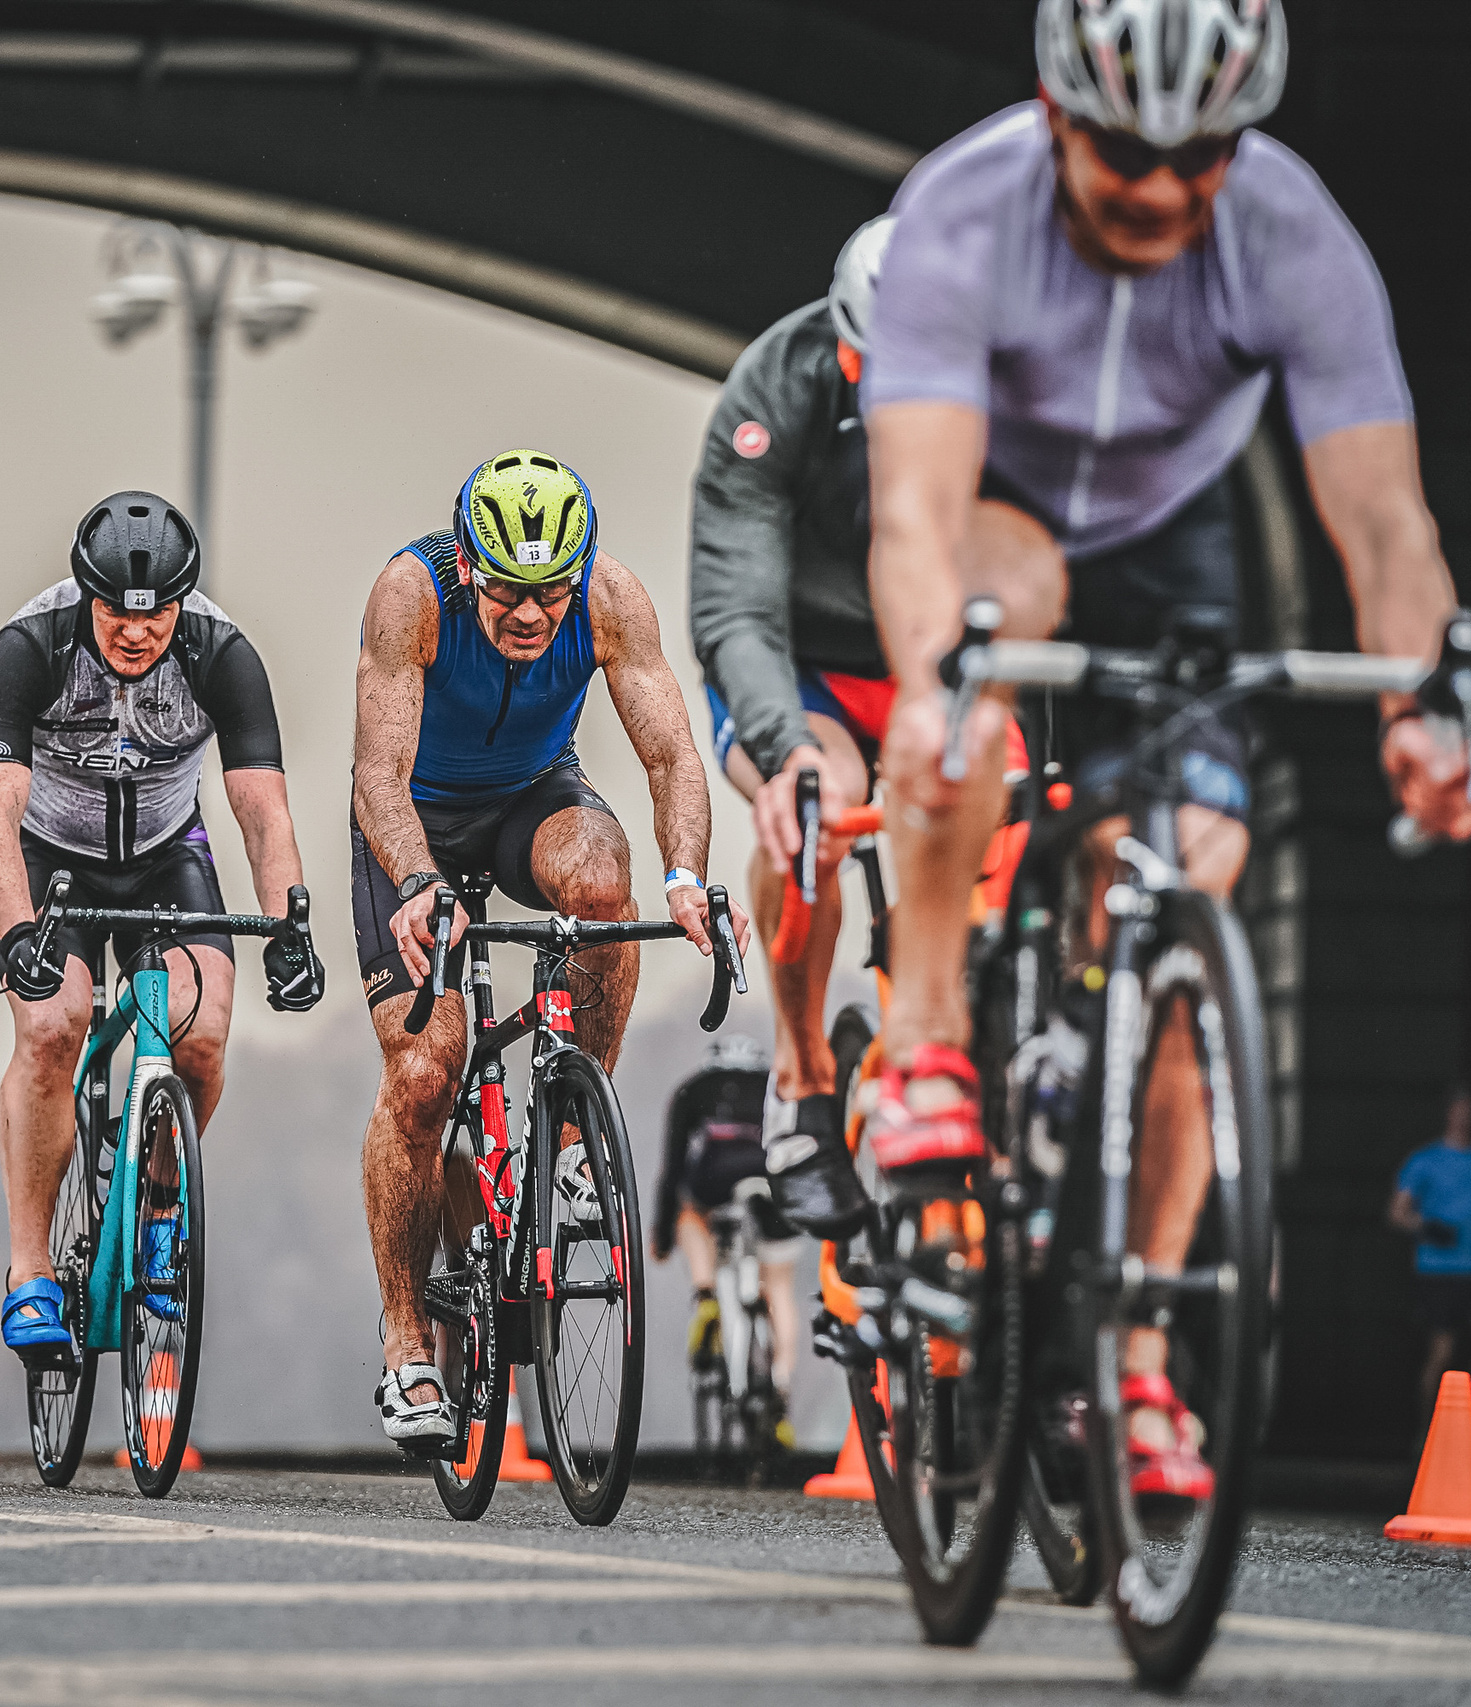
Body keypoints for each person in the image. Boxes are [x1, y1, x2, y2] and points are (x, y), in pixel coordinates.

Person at [854, 0, 1471, 1502]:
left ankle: (1138, 1352)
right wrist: (936, 694)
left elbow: (1384, 519)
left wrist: (1424, 708)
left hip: (1171, 533)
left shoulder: (1291, 231)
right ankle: (931, 1038)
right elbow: (914, 514)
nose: (1157, 187)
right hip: (1003, 507)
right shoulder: (963, 208)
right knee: (974, 659)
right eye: (1121, 155)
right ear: (1055, 115)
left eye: (1196, 157)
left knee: (1191, 871)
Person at [352, 448, 744, 1453]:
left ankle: (569, 1142)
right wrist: (417, 884)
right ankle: (406, 1345)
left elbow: (671, 755)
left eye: (550, 593)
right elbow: (378, 775)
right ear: (468, 567)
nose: (530, 615)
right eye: (508, 593)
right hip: (414, 826)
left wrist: (687, 877)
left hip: (531, 801)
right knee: (426, 1075)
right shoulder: (411, 595)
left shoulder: (611, 597)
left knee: (606, 885)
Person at [0, 492, 320, 1364]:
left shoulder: (221, 653)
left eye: (155, 613)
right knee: (52, 1028)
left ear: (181, 602)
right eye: (116, 615)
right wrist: (15, 934)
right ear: (87, 596)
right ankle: (31, 1270)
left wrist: (289, 928)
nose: (135, 632)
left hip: (168, 852)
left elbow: (264, 813)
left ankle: (160, 1205)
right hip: (51, 859)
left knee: (201, 1035)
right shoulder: (29, 647)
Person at [689, 215, 901, 1239]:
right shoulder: (777, 388)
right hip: (806, 665)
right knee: (819, 807)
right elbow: (735, 610)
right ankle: (802, 1076)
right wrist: (789, 753)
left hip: (939, 658)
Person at [650, 1034, 805, 1423]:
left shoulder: (694, 1087)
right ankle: (781, 1383)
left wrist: (663, 1238)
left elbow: (672, 1170)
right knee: (779, 1287)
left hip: (714, 1177)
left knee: (691, 1214)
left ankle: (706, 1295)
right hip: (776, 1182)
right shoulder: (776, 1085)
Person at [1388, 1086, 1471, 1425]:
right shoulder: (1424, 1160)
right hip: (1439, 1268)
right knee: (1442, 1353)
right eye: (1458, 1111)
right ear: (1448, 1114)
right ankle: (1426, 1427)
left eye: (1469, 1111)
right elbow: (1396, 1213)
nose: (1464, 1118)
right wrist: (1427, 1227)